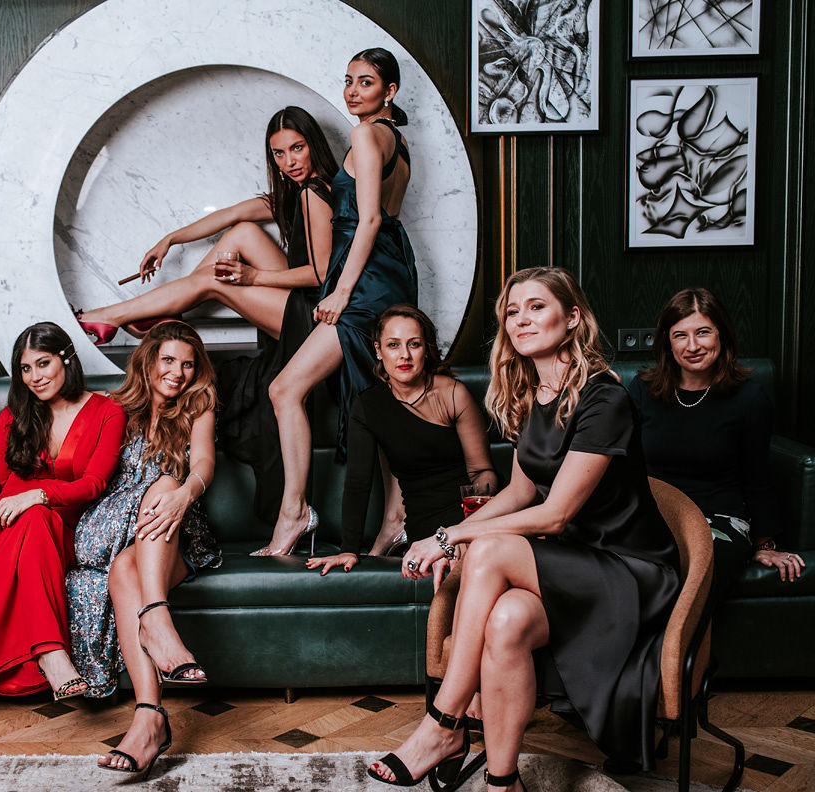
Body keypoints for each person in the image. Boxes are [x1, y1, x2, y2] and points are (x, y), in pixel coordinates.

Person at [368, 268, 679, 789]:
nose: (521, 320)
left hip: (629, 571)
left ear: (572, 317)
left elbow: (554, 514)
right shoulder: (533, 393)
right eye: (512, 311)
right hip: (574, 564)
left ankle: (443, 723)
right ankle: (502, 780)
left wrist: (450, 537)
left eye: (537, 307)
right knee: (506, 620)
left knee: (488, 550)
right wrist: (453, 532)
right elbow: (518, 492)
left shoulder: (604, 399)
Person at [258, 47, 418, 556]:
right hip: (391, 272)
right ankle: (396, 516)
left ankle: (295, 511)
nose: (352, 91)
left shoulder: (366, 135)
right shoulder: (399, 143)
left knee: (285, 389)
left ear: (389, 91)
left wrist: (341, 292)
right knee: (379, 397)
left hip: (366, 282)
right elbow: (385, 219)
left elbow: (368, 219)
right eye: (348, 80)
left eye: (365, 82)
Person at [0, 323, 126, 738]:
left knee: (40, 518)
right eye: (25, 368)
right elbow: (1, 489)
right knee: (34, 521)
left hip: (68, 528)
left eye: (44, 363)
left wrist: (37, 495)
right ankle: (51, 652)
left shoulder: (108, 411)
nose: (35, 377)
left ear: (67, 359)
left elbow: (94, 484)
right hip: (5, 526)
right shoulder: (11, 417)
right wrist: (18, 500)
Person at [64, 321, 220, 778]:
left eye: (188, 364)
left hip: (174, 525)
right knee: (123, 562)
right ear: (148, 360)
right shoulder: (114, 407)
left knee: (162, 492)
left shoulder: (199, 406)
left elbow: (204, 461)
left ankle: (149, 717)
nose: (178, 372)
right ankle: (157, 623)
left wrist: (184, 492)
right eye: (168, 360)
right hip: (113, 526)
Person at [74, 106, 336, 347]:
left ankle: (113, 316)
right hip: (304, 301)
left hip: (318, 315)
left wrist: (254, 277)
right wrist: (170, 239)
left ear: (313, 145)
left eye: (297, 148)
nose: (289, 162)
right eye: (279, 153)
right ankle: (163, 311)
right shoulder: (297, 193)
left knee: (214, 276)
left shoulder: (313, 193)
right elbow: (230, 214)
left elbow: (322, 273)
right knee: (243, 231)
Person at [628, 287, 804, 611]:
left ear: (721, 334)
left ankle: (678, 644)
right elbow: (625, 466)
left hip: (719, 519)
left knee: (699, 563)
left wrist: (765, 544)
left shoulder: (749, 399)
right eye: (680, 335)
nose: (692, 345)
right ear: (667, 341)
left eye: (703, 332)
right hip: (654, 513)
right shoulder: (643, 390)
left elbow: (757, 476)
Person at [306, 304, 497, 574]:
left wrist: (471, 522)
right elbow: (358, 483)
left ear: (426, 349)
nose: (404, 355)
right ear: (378, 350)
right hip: (423, 526)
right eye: (393, 345)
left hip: (468, 520)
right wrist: (349, 549)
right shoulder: (368, 406)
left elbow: (482, 471)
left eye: (414, 344)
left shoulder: (453, 394)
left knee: (472, 568)